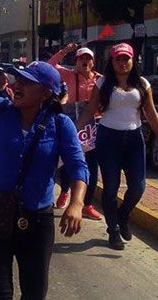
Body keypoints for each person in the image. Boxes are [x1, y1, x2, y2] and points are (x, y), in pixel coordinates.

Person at [0, 41, 88, 299]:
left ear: (45, 93)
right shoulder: (0, 110)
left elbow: (78, 166)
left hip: (37, 221)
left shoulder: (61, 124)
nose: (17, 85)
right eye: (18, 80)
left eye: (26, 82)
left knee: (35, 293)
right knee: (0, 293)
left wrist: (77, 203)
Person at [77, 43, 158, 250]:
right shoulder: (103, 83)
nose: (122, 63)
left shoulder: (143, 84)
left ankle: (123, 216)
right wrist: (74, 132)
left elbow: (151, 113)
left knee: (138, 186)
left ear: (132, 60)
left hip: (134, 139)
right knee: (110, 188)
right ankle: (113, 230)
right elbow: (91, 108)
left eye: (126, 58)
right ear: (112, 61)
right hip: (108, 138)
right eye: (118, 59)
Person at [48, 43, 103, 220]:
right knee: (66, 161)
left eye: (88, 59)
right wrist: (64, 51)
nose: (85, 62)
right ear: (76, 62)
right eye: (81, 59)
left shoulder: (100, 79)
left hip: (93, 125)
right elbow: (50, 66)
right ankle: (64, 190)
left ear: (93, 62)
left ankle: (87, 204)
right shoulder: (68, 75)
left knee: (92, 165)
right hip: (72, 123)